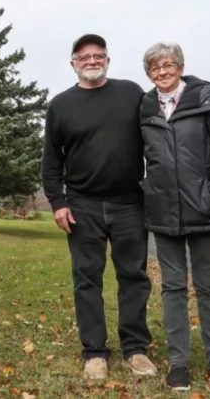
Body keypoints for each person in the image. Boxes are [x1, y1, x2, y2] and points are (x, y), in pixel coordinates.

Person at [41, 34, 157, 380]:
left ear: (107, 60)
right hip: (82, 206)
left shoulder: (131, 93)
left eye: (98, 55)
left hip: (129, 205)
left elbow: (156, 138)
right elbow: (51, 161)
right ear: (73, 63)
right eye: (84, 56)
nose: (92, 61)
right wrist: (58, 202)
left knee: (133, 278)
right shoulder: (61, 105)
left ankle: (135, 349)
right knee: (87, 280)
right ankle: (95, 352)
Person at [138, 42, 210, 391]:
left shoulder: (209, 100)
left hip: (206, 211)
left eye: (168, 65)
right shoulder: (143, 107)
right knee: (172, 288)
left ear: (180, 67)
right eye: (155, 68)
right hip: (163, 214)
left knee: (208, 287)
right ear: (149, 74)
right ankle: (178, 363)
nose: (162, 72)